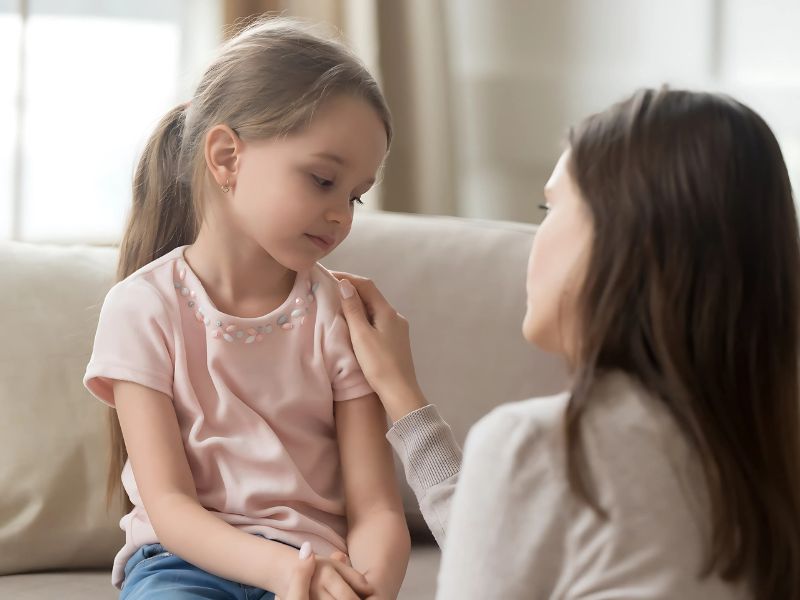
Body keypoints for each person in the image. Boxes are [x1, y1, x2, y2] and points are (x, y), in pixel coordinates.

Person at [332, 89, 800, 598]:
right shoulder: (765, 455)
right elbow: (505, 542)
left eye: (549, 207)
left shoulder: (541, 447)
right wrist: (402, 395)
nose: (538, 237)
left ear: (620, 238)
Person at [83, 17, 409, 600]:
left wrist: (370, 589)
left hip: (318, 566)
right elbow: (170, 506)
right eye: (323, 180)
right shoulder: (142, 308)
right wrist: (282, 571)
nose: (342, 214)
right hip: (180, 565)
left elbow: (377, 509)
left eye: (356, 196)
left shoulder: (339, 315)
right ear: (227, 157)